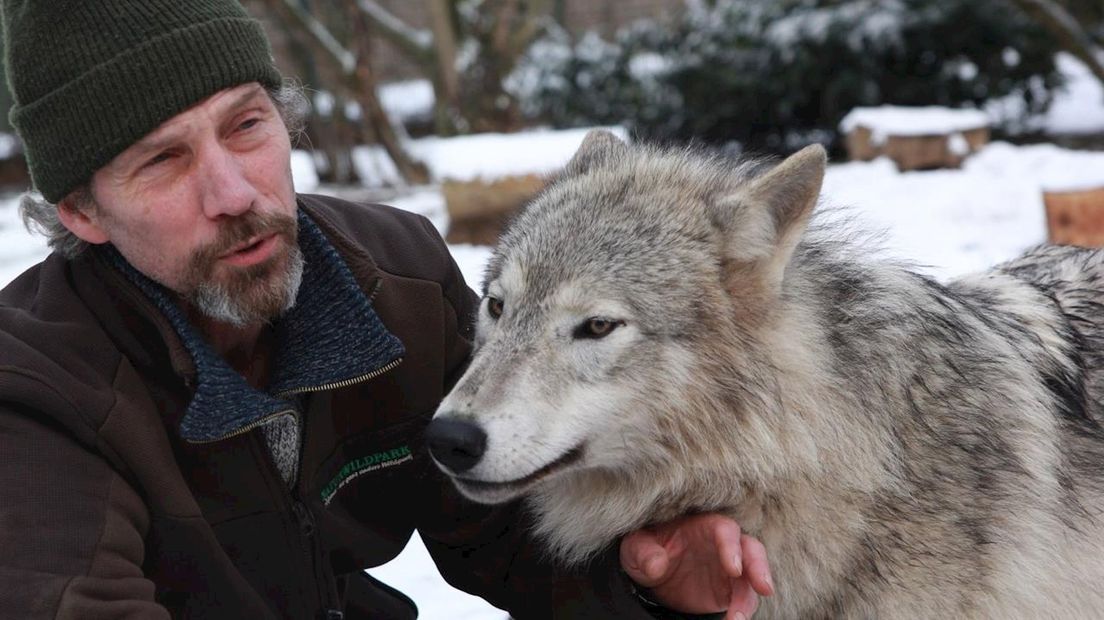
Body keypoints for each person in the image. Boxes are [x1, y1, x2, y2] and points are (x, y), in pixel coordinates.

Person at [0, 1, 772, 618]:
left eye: (247, 125)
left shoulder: (395, 280)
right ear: (82, 213)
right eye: (164, 160)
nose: (236, 192)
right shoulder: (33, 391)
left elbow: (505, 533)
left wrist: (643, 583)